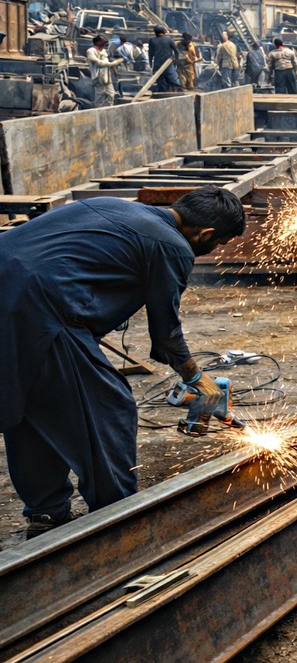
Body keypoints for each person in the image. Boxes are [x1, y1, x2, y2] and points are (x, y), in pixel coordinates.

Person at [0, 188, 245, 539]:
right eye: (218, 244)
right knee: (108, 410)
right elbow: (167, 334)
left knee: (32, 407)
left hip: (11, 297)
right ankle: (117, 519)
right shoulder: (171, 246)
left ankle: (47, 512)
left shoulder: (114, 206)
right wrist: (200, 382)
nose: (215, 250)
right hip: (41, 312)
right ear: (205, 234)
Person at [86, 34, 124, 108]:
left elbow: (107, 60)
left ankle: (108, 109)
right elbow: (99, 63)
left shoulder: (103, 51)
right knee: (100, 96)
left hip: (107, 78)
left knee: (111, 94)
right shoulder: (91, 51)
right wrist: (113, 63)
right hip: (98, 78)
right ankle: (98, 110)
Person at [147, 25, 181, 92]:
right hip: (168, 63)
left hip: (158, 64)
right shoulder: (169, 39)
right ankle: (177, 90)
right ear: (163, 32)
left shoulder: (152, 40)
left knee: (161, 83)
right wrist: (176, 60)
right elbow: (177, 51)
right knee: (174, 80)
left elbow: (150, 54)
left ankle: (163, 93)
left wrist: (151, 64)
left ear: (155, 33)